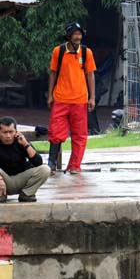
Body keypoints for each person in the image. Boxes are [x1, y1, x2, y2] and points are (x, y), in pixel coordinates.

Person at [47, 22, 96, 174]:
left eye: (79, 34)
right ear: (69, 36)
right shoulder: (58, 51)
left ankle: (75, 166)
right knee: (56, 132)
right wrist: (50, 95)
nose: (78, 36)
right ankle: (51, 163)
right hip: (61, 98)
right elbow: (53, 73)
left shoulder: (86, 52)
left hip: (80, 100)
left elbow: (90, 75)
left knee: (80, 135)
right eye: (75, 34)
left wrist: (92, 97)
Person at [0, 116, 50, 202]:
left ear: (16, 132)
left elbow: (38, 162)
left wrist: (26, 144)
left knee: (45, 169)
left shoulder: (22, 142)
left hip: (21, 179)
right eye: (4, 132)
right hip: (3, 180)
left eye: (11, 132)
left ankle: (27, 194)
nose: (8, 136)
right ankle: (1, 194)